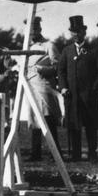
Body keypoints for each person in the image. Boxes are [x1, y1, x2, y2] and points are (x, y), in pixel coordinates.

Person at [58, 15, 98, 161]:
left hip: (89, 95)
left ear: (84, 32)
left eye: (78, 31)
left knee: (91, 125)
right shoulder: (67, 51)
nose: (76, 34)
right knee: (74, 125)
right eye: (73, 32)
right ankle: (75, 154)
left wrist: (94, 89)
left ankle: (92, 153)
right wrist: (63, 87)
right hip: (72, 95)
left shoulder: (93, 50)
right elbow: (61, 71)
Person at [25, 16, 63, 161]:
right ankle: (36, 153)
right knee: (34, 119)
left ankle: (56, 153)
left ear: (39, 29)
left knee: (48, 119)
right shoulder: (27, 47)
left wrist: (43, 69)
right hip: (30, 87)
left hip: (44, 87)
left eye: (34, 29)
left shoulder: (49, 46)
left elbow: (58, 67)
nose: (32, 33)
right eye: (29, 30)